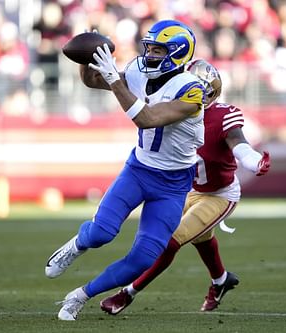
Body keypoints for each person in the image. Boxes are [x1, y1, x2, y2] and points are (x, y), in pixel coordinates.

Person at [45, 20, 206, 321]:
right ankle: (77, 244)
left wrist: (114, 80)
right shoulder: (136, 72)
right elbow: (93, 80)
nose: (151, 55)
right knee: (101, 233)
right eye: (150, 48)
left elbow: (146, 117)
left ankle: (80, 296)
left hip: (173, 185)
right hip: (139, 170)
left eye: (159, 50)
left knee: (144, 258)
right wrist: (90, 55)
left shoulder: (192, 90)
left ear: (178, 54)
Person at [99, 59, 271, 315]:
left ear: (207, 90)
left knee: (170, 240)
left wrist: (254, 160)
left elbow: (239, 144)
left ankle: (128, 293)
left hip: (219, 194)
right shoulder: (169, 107)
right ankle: (221, 281)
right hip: (184, 188)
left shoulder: (223, 115)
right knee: (199, 237)